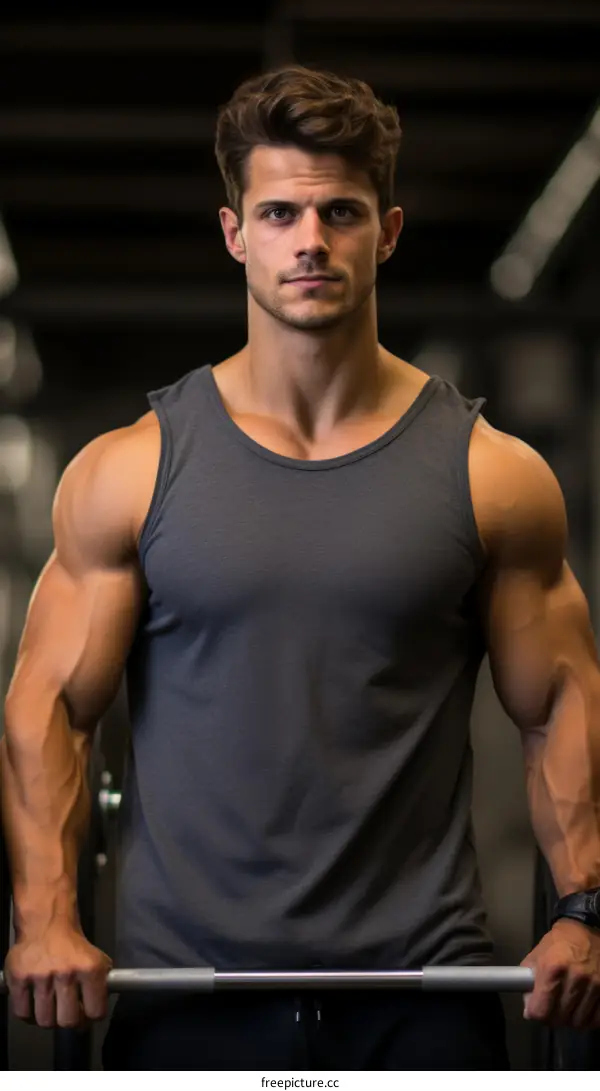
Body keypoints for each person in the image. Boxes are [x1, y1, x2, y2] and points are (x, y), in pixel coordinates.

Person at [1, 64, 600, 1072]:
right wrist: (46, 916)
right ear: (234, 232)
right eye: (278, 213)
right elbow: (48, 704)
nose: (310, 241)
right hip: (186, 992)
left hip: (422, 993)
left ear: (389, 230)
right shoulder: (129, 469)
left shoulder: (494, 475)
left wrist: (583, 908)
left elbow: (562, 704)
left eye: (341, 213)